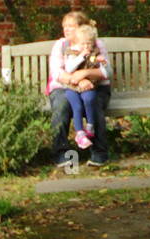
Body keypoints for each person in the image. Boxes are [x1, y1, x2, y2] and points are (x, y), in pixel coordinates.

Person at [47, 10, 111, 167]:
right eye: (64, 26)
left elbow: (107, 72)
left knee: (93, 100)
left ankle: (99, 152)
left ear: (82, 28)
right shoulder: (61, 45)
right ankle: (61, 153)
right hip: (65, 87)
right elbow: (57, 73)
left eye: (71, 26)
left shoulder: (96, 44)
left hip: (95, 86)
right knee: (62, 104)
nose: (66, 30)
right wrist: (78, 81)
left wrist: (86, 73)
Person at [61, 23, 106, 149]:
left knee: (90, 99)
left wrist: (102, 62)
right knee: (77, 106)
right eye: (83, 44)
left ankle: (90, 126)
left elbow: (105, 72)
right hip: (72, 88)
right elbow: (69, 69)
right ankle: (80, 134)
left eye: (89, 44)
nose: (86, 47)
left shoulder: (95, 54)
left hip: (89, 86)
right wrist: (81, 56)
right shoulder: (72, 53)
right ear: (77, 42)